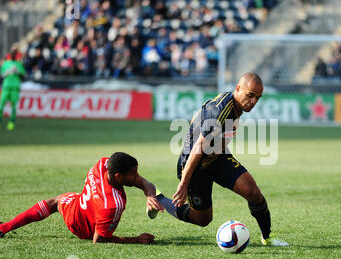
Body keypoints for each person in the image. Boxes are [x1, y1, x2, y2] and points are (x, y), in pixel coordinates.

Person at [147, 73, 288, 246]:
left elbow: (198, 115)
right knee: (202, 219)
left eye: (258, 98)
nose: (253, 101)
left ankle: (267, 237)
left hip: (217, 157)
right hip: (195, 164)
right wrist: (184, 182)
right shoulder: (220, 112)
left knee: (253, 192)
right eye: (250, 95)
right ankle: (159, 199)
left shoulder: (233, 103)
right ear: (238, 89)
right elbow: (198, 147)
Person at [0, 152, 163, 244]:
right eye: (133, 174)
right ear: (118, 176)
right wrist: (136, 239)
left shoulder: (103, 164)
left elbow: (144, 183)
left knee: (56, 201)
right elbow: (98, 240)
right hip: (83, 227)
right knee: (64, 203)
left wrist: (149, 195)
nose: (137, 177)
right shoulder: (113, 204)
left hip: (78, 205)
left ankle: (4, 227)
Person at [0, 45, 26, 131]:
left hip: (15, 88)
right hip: (6, 87)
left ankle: (12, 122)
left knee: (14, 106)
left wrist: (17, 71)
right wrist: (7, 72)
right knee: (1, 106)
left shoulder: (19, 64)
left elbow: (23, 77)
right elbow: (1, 75)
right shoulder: (6, 64)